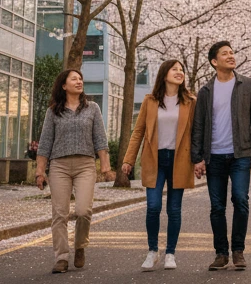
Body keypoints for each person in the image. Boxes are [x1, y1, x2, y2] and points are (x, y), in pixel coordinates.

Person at [190, 41, 251, 271]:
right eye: (225, 54)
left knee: (241, 200)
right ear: (215, 61)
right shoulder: (205, 91)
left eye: (232, 52)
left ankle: (238, 251)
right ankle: (221, 253)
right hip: (214, 156)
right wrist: (197, 158)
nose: (231, 56)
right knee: (217, 207)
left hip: (240, 154)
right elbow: (198, 126)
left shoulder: (247, 85)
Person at [36, 69, 114, 273]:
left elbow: (100, 139)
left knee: (83, 211)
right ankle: (61, 258)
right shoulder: (53, 112)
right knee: (60, 214)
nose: (79, 81)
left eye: (81, 78)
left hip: (85, 165)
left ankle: (80, 246)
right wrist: (40, 171)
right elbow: (45, 143)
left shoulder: (92, 108)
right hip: (59, 166)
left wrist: (105, 166)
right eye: (74, 79)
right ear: (64, 85)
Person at [122, 59, 196, 271]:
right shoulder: (150, 100)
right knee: (153, 207)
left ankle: (170, 253)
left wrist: (199, 159)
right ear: (164, 74)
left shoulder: (190, 101)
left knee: (174, 209)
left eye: (182, 70)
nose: (179, 72)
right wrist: (128, 159)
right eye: (175, 69)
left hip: (179, 159)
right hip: (155, 159)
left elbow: (196, 132)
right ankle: (152, 251)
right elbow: (138, 132)